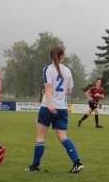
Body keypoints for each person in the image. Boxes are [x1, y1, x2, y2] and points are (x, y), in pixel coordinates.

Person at [25, 46, 84, 174]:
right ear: (62, 56)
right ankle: (77, 162)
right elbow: (69, 91)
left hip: (48, 108)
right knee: (63, 137)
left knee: (40, 136)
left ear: (51, 56)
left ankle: (34, 166)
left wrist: (48, 102)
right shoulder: (68, 71)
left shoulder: (47, 69)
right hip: (62, 109)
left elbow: (49, 87)